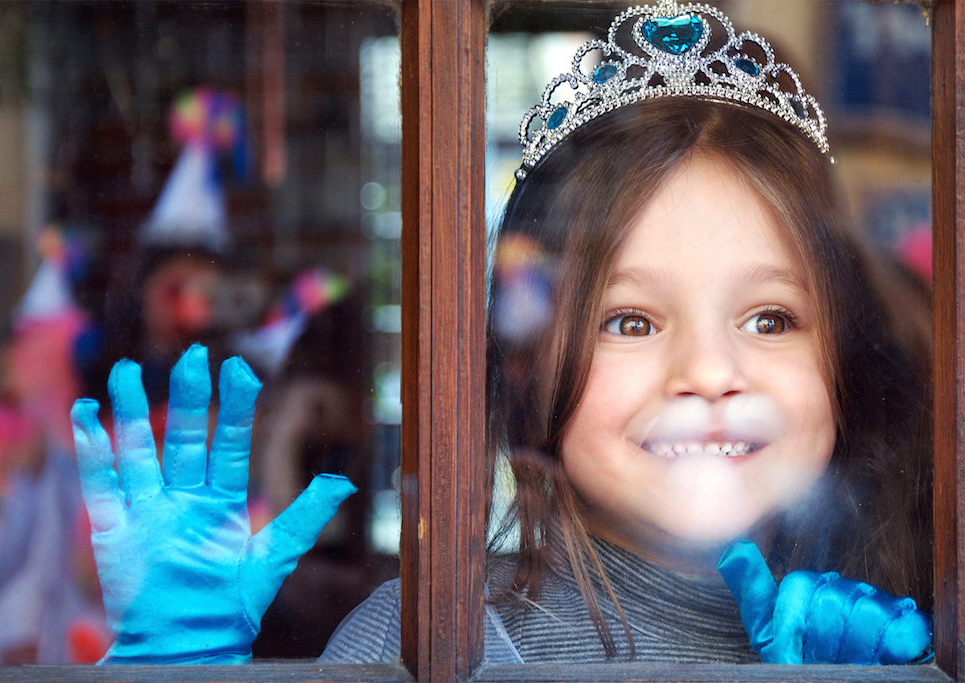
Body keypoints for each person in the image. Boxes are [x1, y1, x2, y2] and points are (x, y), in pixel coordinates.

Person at [70, 0, 933, 666]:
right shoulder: (427, 641)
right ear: (526, 373)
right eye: (628, 320)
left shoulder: (914, 630)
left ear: (845, 361)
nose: (708, 370)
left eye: (769, 318)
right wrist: (182, 676)